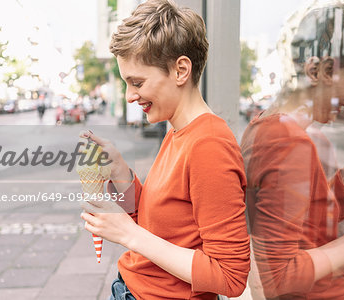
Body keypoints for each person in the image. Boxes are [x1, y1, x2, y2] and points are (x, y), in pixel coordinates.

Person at [78, 0, 250, 299]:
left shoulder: (208, 145)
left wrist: (129, 235)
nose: (131, 96)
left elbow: (230, 277)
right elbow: (159, 223)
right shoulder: (178, 130)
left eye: (137, 82)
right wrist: (121, 173)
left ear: (181, 70)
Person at [240, 3, 344, 299]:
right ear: (318, 71)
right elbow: (279, 278)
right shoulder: (287, 142)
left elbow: (307, 226)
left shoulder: (269, 128)